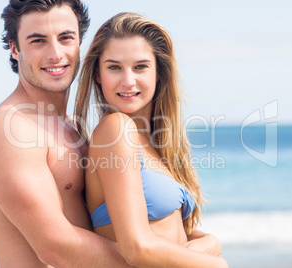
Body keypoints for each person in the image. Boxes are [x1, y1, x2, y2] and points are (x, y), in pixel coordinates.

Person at [0, 1, 132, 267]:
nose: (55, 54)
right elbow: (55, 248)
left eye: (65, 38)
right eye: (38, 41)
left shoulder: (75, 127)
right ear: (15, 49)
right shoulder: (9, 129)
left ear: (80, 44)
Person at [74, 12, 228, 267]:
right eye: (114, 67)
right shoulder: (115, 129)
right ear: (98, 74)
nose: (128, 81)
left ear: (159, 73)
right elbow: (137, 248)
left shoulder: (155, 143)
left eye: (140, 66)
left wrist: (210, 241)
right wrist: (216, 263)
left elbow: (173, 230)